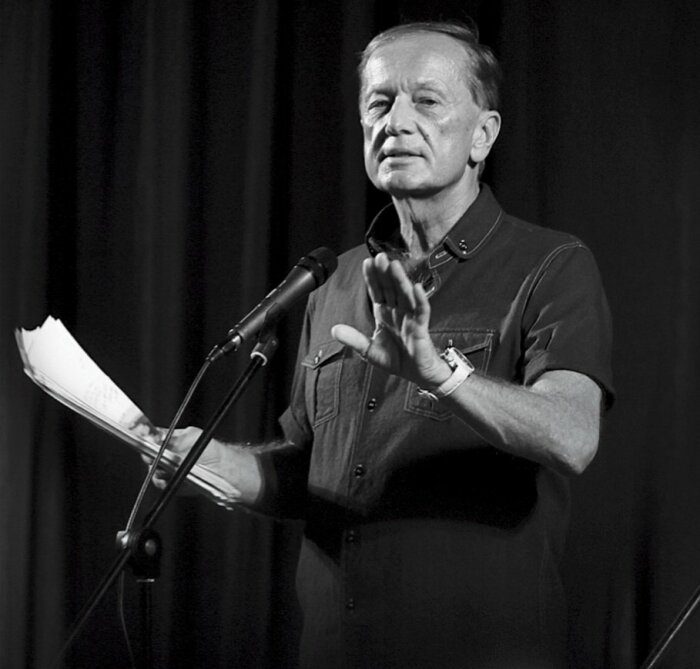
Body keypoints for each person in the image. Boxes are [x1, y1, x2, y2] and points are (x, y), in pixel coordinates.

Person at [159, 20, 613, 669]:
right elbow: (304, 472)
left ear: (483, 135)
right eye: (379, 103)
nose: (395, 121)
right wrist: (207, 463)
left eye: (426, 100)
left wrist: (442, 374)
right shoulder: (336, 281)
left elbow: (572, 434)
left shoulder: (551, 264)